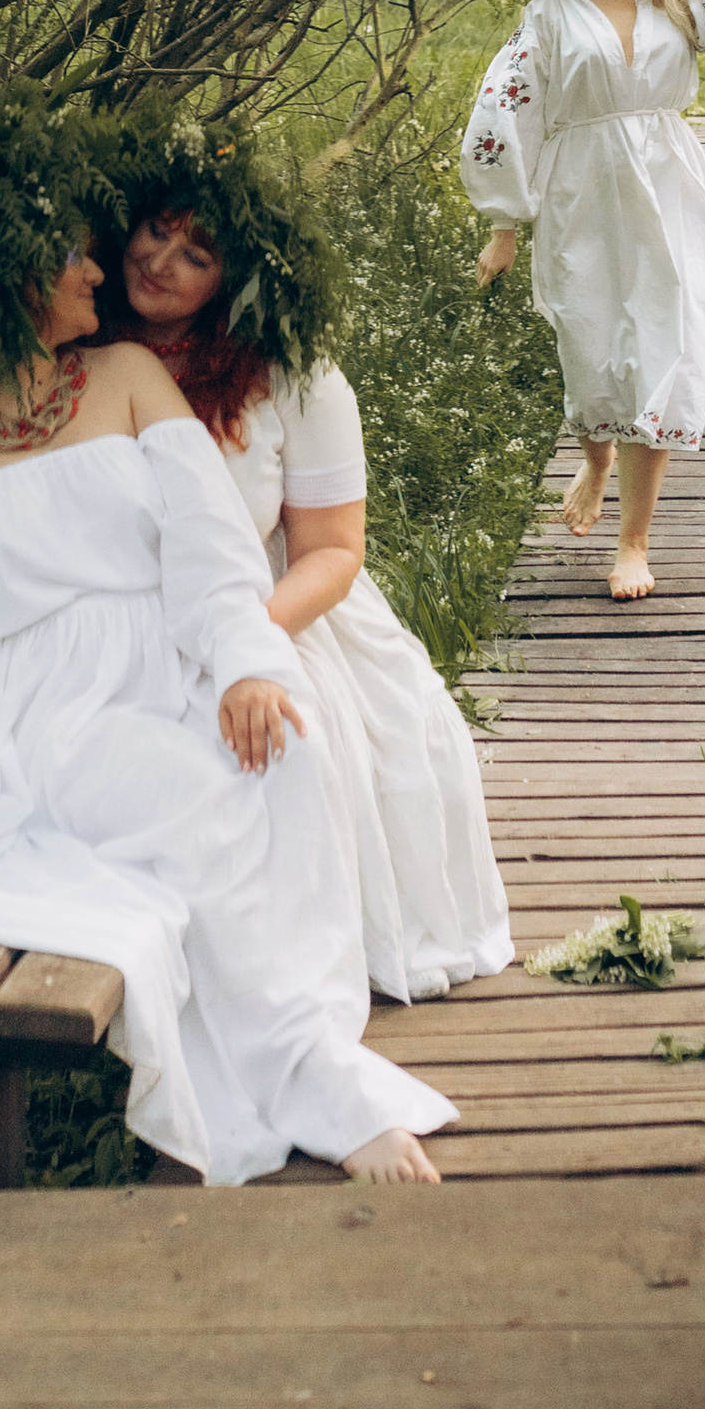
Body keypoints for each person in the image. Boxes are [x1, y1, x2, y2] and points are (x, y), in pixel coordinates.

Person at [0, 96, 454, 1186]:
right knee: (140, 822)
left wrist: (247, 665)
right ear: (16, 276)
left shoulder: (124, 378)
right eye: (72, 258)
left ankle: (304, 1056)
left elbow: (210, 551)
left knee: (278, 762)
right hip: (18, 718)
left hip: (154, 670)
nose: (97, 273)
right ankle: (317, 1088)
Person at [91, 120, 511, 1003]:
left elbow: (333, 554)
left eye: (197, 254)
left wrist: (242, 638)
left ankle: (273, 982)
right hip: (113, 619)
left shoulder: (291, 375)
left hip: (272, 609)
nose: (162, 260)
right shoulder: (71, 356)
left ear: (233, 279)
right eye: (156, 230)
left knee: (287, 747)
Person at [460, 0, 705, 598]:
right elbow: (507, 112)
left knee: (663, 349)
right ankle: (596, 456)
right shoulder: (550, 12)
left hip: (667, 189)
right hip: (584, 192)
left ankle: (634, 542)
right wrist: (505, 223)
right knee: (593, 342)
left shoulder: (678, 1)